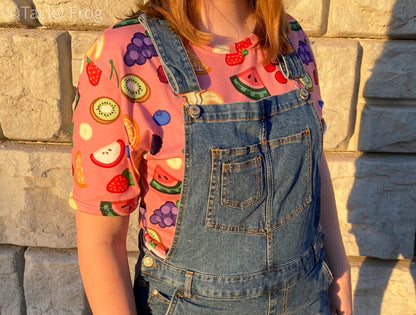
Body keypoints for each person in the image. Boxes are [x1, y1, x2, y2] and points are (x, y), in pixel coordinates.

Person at [71, 0, 353, 314]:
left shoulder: (288, 38)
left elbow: (312, 166)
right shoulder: (127, 54)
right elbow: (101, 241)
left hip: (308, 299)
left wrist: (341, 282)